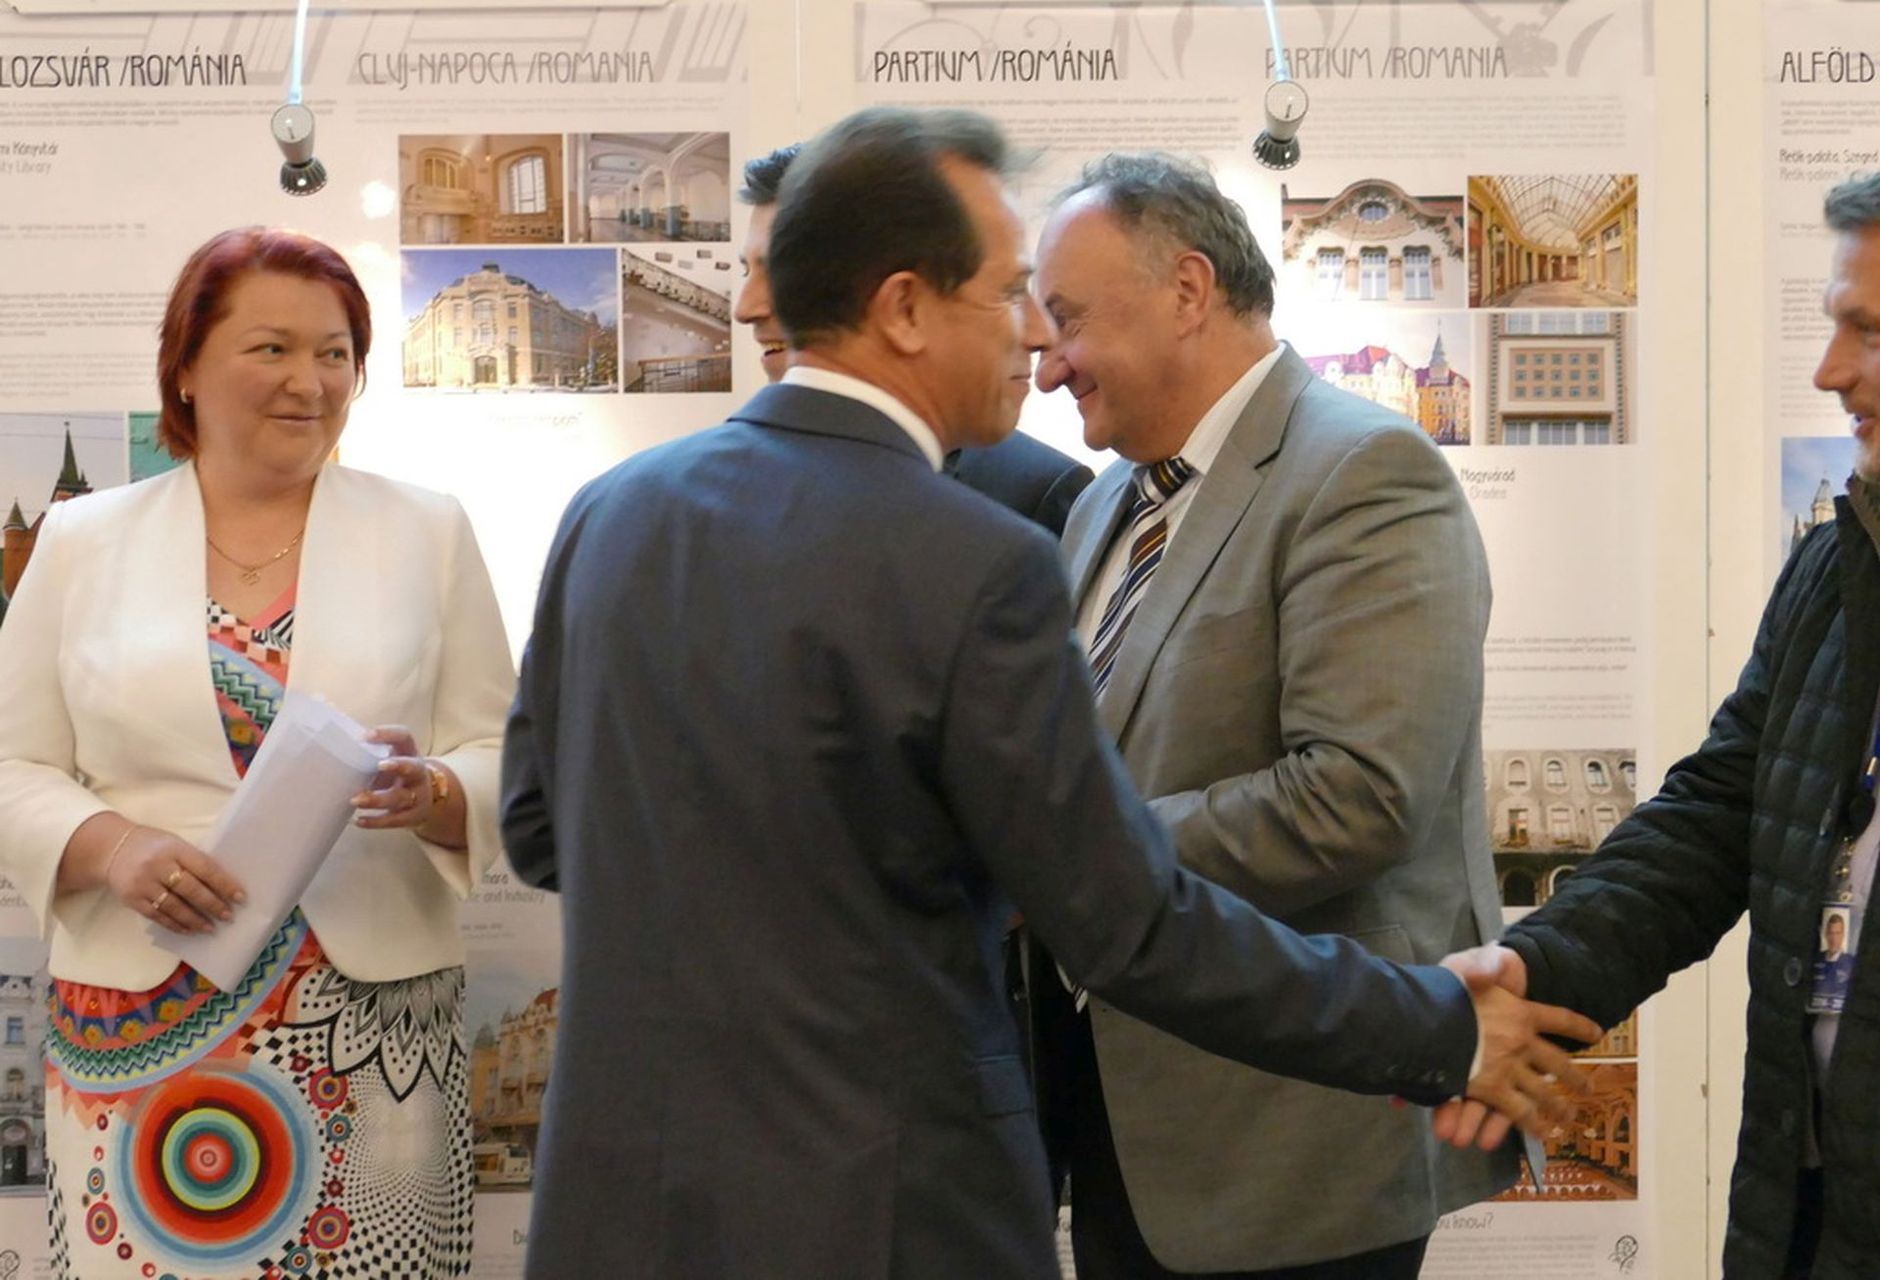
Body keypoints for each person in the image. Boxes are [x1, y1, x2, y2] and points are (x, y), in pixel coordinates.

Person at [501, 105, 1597, 1280]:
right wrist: (1432, 1025)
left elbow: (539, 825)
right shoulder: (979, 553)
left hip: (626, 1199)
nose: (1034, 339)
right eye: (1010, 295)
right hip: (880, 1200)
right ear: (905, 308)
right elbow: (1114, 909)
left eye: (1056, 307)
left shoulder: (610, 512)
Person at [1027, 152, 1514, 1279]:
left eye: (1068, 321)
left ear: (1187, 290)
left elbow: (1357, 796)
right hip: (1122, 1123)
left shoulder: (1364, 471)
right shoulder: (1102, 505)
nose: (1047, 367)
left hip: (1295, 1147)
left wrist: (1073, 861)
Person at [0, 228, 514, 1278]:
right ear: (186, 367)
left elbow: (504, 750)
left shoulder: (427, 530)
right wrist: (112, 845)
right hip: (137, 1022)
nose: (309, 382)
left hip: (373, 1031)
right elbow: (11, 765)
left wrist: (434, 790)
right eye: (271, 348)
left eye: (335, 353)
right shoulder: (82, 539)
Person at [1434, 172, 1880, 1279]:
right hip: (1810, 1204)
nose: (1829, 372)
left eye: (1868, 333)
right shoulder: (1835, 570)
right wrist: (1540, 966)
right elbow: (1718, 812)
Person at [735, 141, 1093, 534]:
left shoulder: (1032, 491)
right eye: (746, 271)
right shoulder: (719, 482)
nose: (745, 308)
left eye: (777, 273)